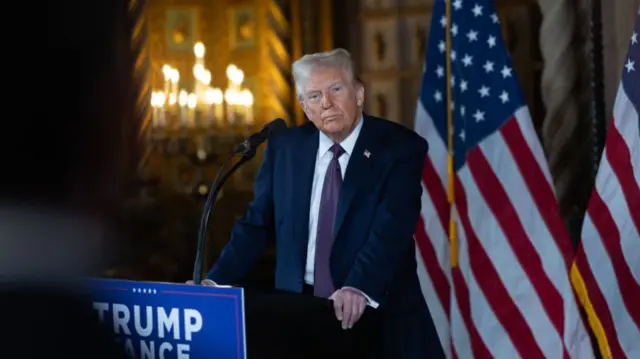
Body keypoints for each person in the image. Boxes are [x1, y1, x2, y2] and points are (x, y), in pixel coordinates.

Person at [201, 48, 444, 358]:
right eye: (314, 96)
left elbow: (392, 227)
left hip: (376, 310)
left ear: (358, 93)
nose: (326, 103)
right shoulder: (284, 149)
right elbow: (255, 224)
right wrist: (214, 282)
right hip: (299, 313)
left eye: (335, 89)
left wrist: (358, 286)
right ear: (304, 107)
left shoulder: (398, 148)